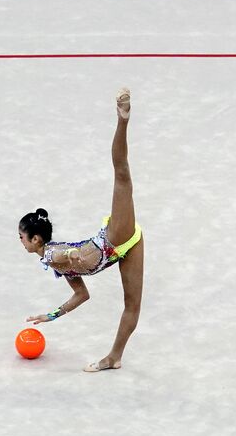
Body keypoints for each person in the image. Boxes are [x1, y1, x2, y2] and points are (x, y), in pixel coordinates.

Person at [18, 89, 143, 373]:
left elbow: (65, 253)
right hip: (125, 248)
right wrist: (51, 316)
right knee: (132, 306)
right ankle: (114, 357)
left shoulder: (51, 255)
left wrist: (75, 254)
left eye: (21, 237)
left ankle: (122, 120)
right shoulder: (54, 263)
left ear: (36, 239)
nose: (21, 242)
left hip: (115, 239)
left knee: (122, 176)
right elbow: (82, 295)